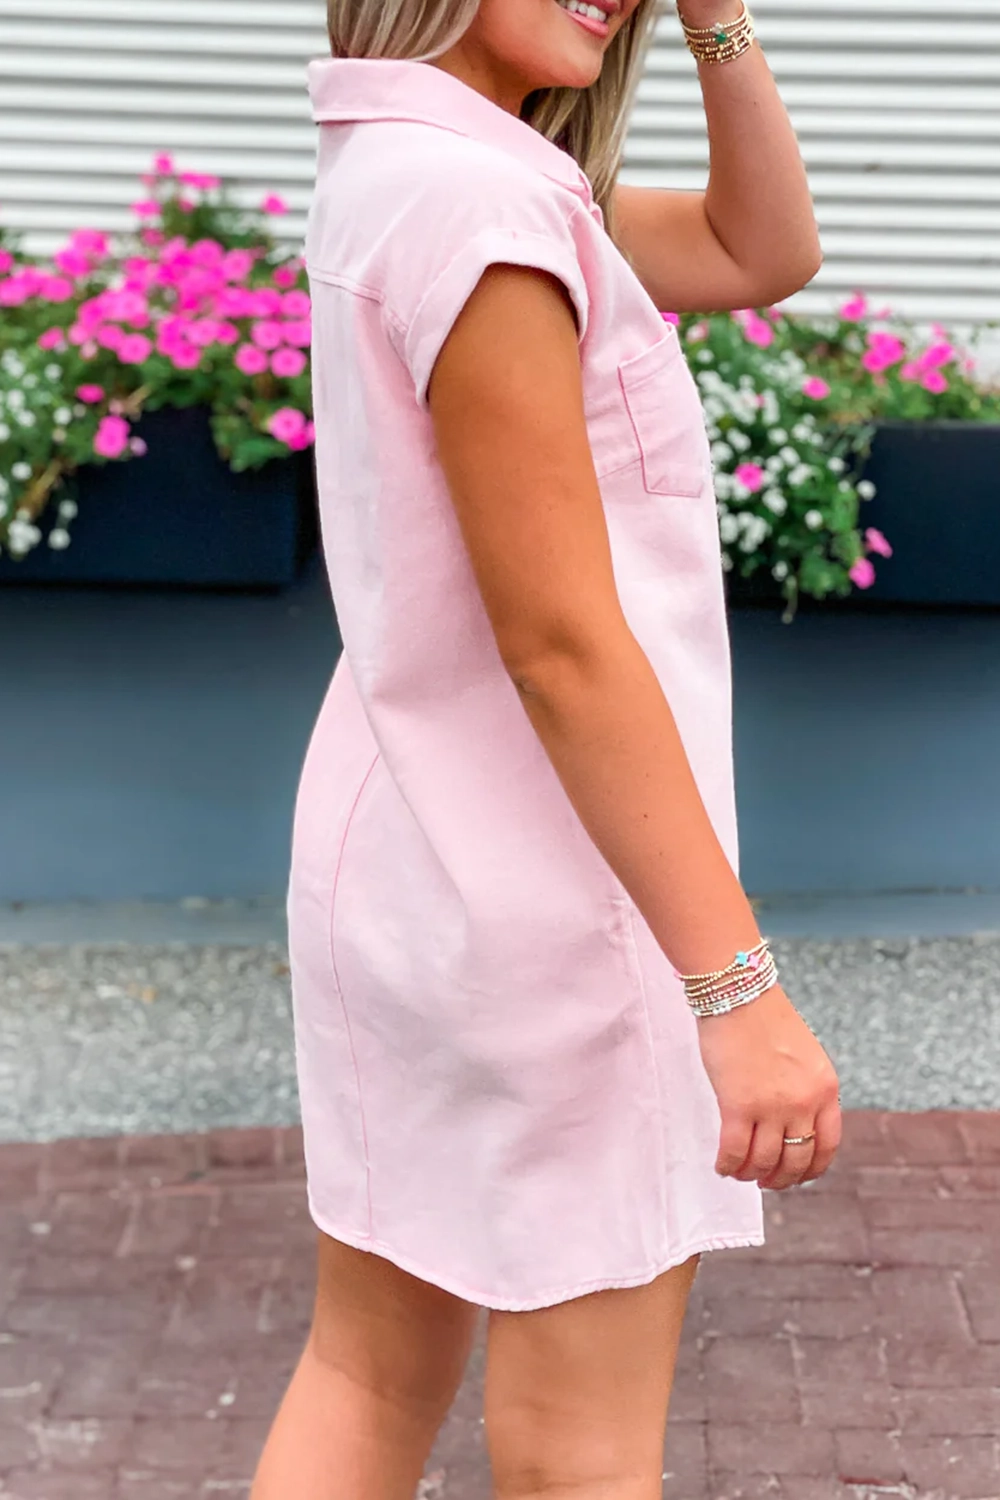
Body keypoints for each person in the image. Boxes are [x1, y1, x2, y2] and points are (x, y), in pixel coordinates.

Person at [252, 0, 841, 1495]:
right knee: (581, 1457)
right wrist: (737, 989)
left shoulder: (409, 161)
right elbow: (565, 649)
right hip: (559, 906)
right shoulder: (490, 208)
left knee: (367, 1376)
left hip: (403, 869)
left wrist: (717, 21)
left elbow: (760, 253)